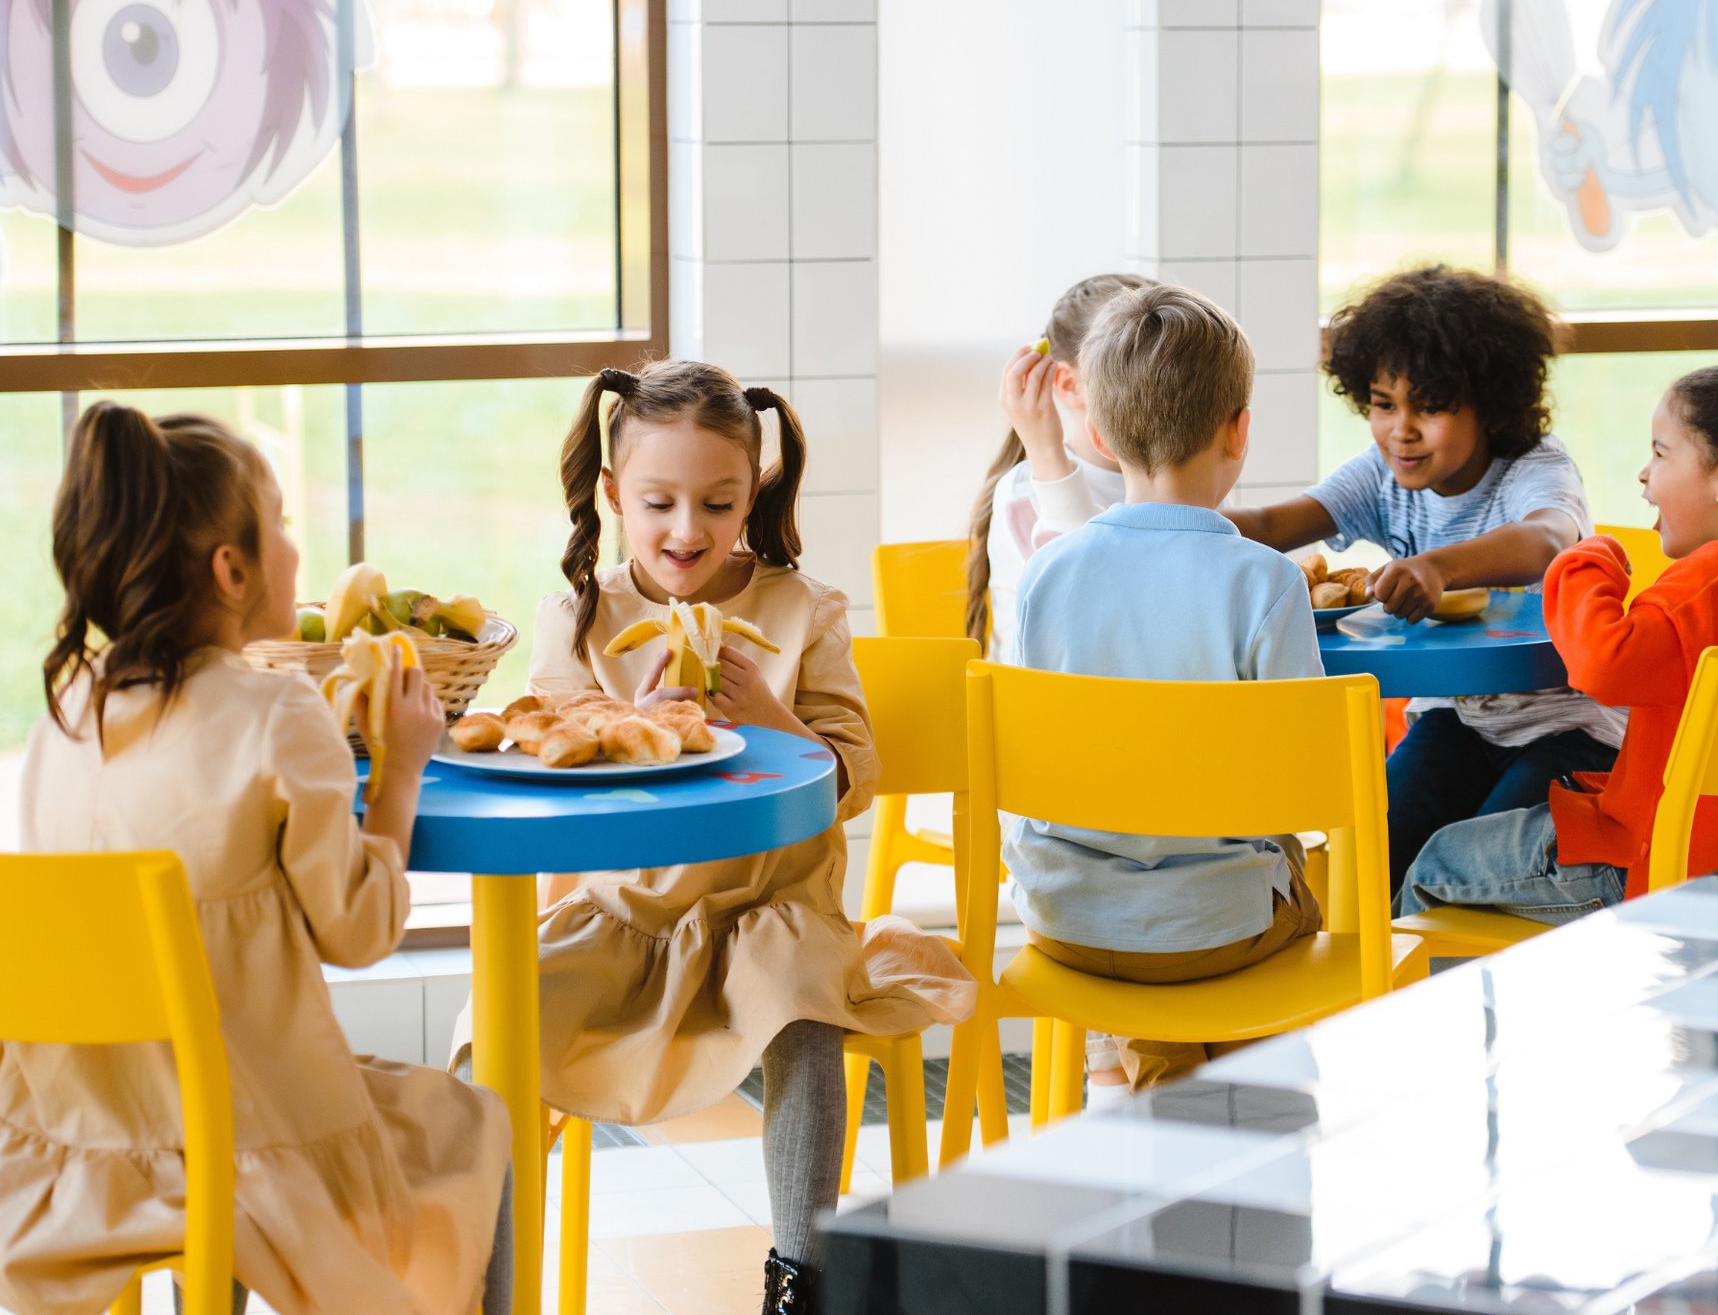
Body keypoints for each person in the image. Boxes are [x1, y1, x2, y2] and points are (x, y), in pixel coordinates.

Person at [0, 402, 513, 1315]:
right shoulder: (279, 716)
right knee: (475, 1123)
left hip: (72, 1136)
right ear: (232, 569)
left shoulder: (66, 710)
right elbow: (360, 931)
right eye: (282, 521)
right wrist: (399, 769)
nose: (296, 543)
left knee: (218, 1089)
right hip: (236, 1144)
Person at [450, 362, 973, 1313]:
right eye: (659, 503)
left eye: (717, 502)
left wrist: (773, 713)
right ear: (613, 495)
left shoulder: (802, 609)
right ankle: (487, 1290)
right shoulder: (579, 618)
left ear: (752, 498)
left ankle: (802, 1279)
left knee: (803, 1020)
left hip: (771, 913)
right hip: (627, 916)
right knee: (493, 1031)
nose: (687, 530)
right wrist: (621, 727)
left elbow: (853, 778)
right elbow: (551, 790)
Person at [1399, 331, 1718, 920]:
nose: (1644, 476)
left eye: (1662, 454)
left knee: (1438, 858)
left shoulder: (1708, 583)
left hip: (1656, 860)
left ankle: (1403, 1011)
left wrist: (1584, 558)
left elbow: (1603, 664)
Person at [1007, 283, 1323, 1095]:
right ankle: (1234, 1124)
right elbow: (1305, 795)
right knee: (1278, 886)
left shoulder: (1048, 575)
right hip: (1215, 930)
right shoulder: (1267, 582)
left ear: (1102, 435)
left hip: (1067, 918)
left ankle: (1162, 1092)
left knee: (1171, 893)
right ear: (1239, 430)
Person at [1221, 264, 1622, 890]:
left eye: (1429, 407)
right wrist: (1168, 518)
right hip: (1455, 719)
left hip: (1568, 731)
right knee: (1372, 856)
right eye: (1383, 405)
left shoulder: (1534, 468)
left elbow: (1549, 538)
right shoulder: (1381, 475)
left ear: (1489, 406)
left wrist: (1440, 564)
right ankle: (1382, 983)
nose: (1400, 430)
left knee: (1469, 870)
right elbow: (1274, 522)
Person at [966, 272, 1151, 657]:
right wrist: (1045, 452)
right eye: (1129, 359)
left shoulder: (1190, 473)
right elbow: (1092, 608)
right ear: (1069, 385)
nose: (1159, 379)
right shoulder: (1025, 491)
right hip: (1044, 706)